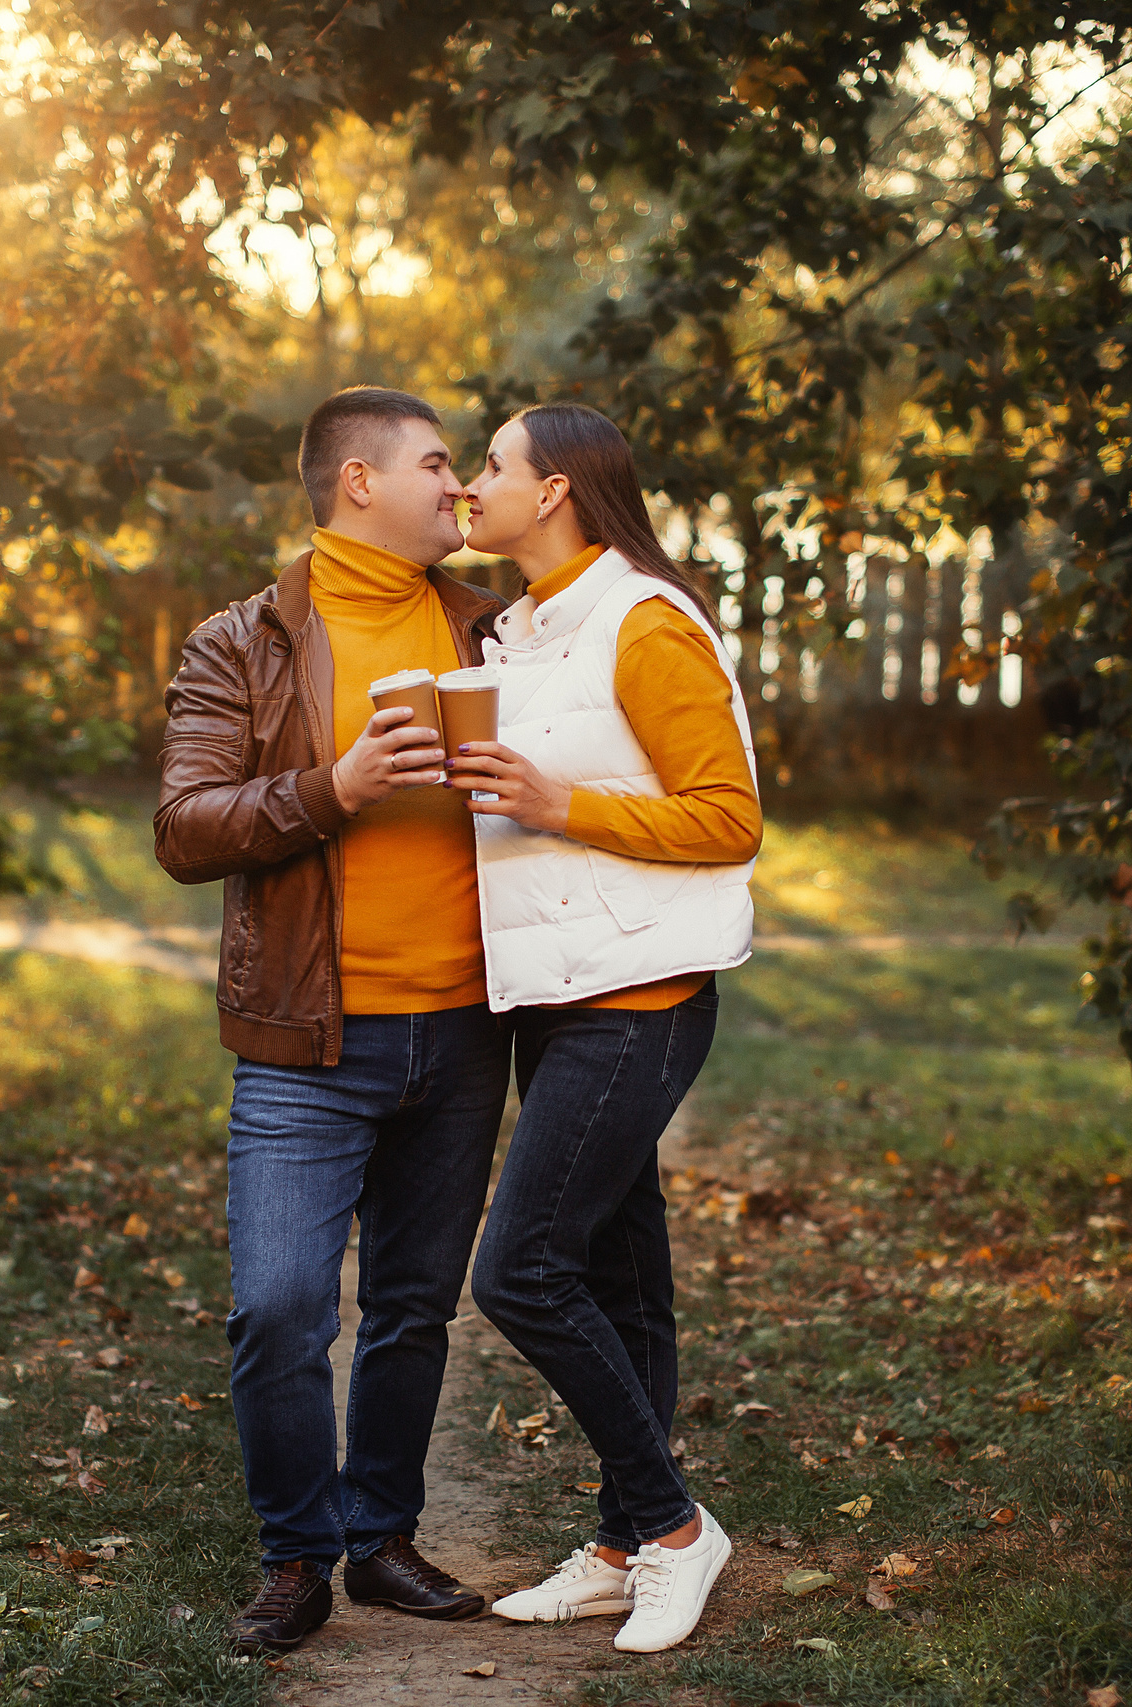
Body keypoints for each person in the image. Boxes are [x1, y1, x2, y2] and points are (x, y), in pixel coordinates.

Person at [153, 386, 511, 1656]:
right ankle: (296, 1555)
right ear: (358, 483)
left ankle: (380, 1540)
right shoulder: (242, 640)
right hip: (310, 1039)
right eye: (435, 464)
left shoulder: (495, 628)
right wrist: (334, 786)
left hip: (466, 1031)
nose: (460, 486)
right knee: (281, 1306)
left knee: (415, 1307)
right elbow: (186, 828)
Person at [446, 402, 762, 1654]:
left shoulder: (642, 620)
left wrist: (560, 803)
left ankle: (678, 1531)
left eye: (490, 467)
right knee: (626, 1283)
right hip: (555, 994)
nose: (473, 486)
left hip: (638, 999)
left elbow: (727, 817)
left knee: (520, 1269)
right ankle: (627, 1543)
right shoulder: (517, 629)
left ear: (558, 490)